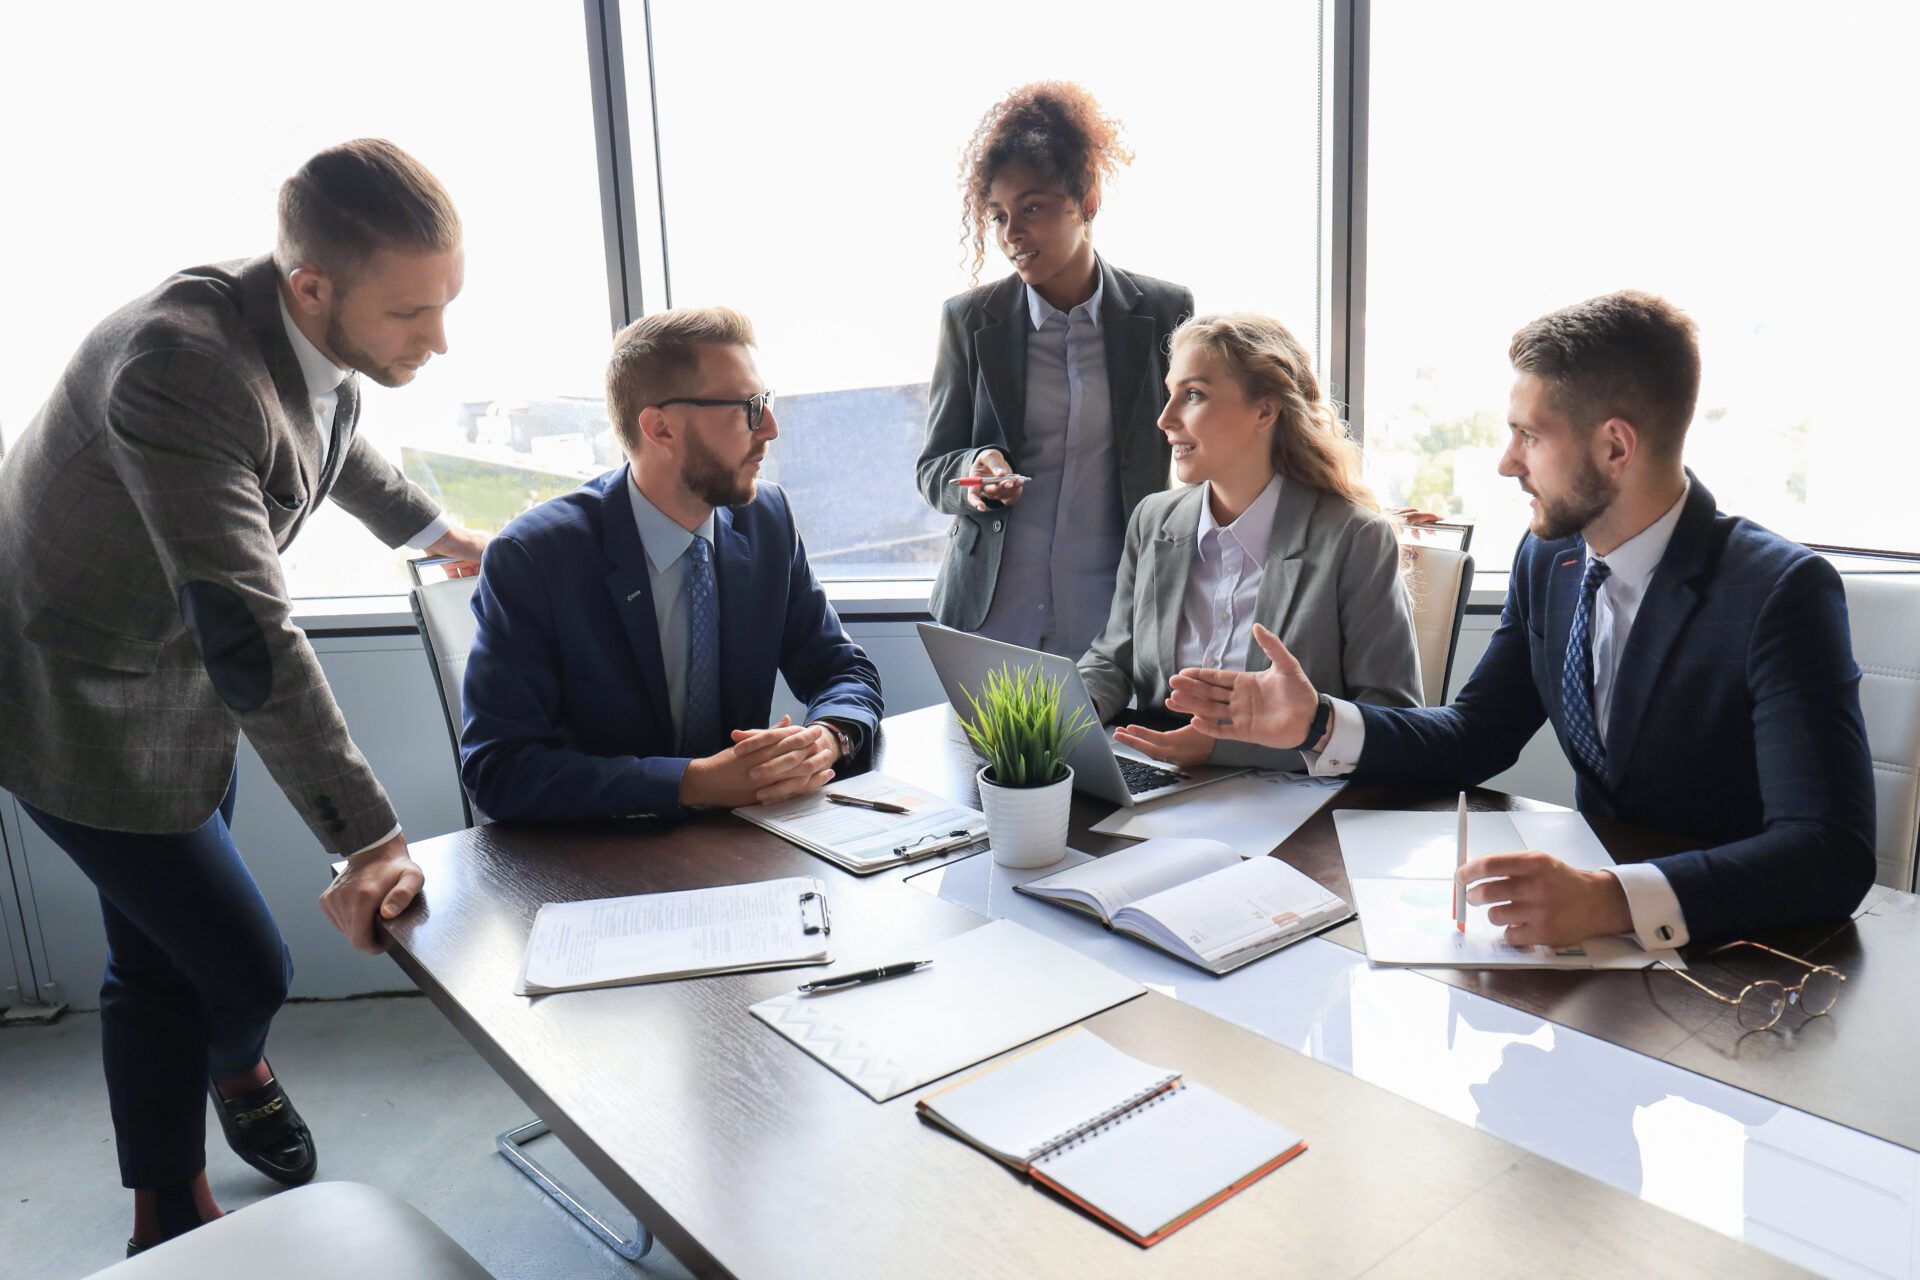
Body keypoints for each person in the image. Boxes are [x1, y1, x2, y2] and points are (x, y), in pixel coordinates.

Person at [0, 139, 488, 1253]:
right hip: (72, 683)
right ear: (314, 284)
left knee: (152, 952)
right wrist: (369, 837)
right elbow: (247, 626)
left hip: (178, 668)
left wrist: (432, 531)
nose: (439, 338)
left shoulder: (298, 317)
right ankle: (235, 1067)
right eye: (413, 314)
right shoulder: (179, 369)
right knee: (242, 959)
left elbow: (325, 433)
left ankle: (163, 1192)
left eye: (446, 302)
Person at [1167, 290, 1876, 948]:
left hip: (1746, 956)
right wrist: (1319, 721)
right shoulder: (1554, 560)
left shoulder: (1779, 592)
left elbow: (1828, 852)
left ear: (1615, 447)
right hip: (1590, 954)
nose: (1507, 464)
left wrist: (1611, 901)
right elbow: (1476, 734)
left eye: (1528, 436)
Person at [460, 307, 883, 821]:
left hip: (743, 850)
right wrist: (694, 783)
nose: (770, 427)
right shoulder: (535, 558)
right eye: (747, 407)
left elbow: (842, 669)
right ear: (660, 428)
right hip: (599, 863)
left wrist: (828, 737)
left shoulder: (766, 520)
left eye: (765, 402)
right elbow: (498, 769)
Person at [916, 81, 1193, 658]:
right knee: (986, 752)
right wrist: (975, 470)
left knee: (1107, 752)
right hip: (992, 609)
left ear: (1087, 199)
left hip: (1113, 614)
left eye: (1032, 207)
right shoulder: (969, 321)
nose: (1011, 234)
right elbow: (933, 471)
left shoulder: (1165, 312)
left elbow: (1214, 447)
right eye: (997, 216)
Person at [1078, 314, 1421, 770]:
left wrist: (1222, 748)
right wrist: (1054, 717)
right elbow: (1113, 659)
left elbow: (1392, 718)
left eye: (1194, 395)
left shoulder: (1354, 537)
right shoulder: (1153, 519)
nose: (1165, 419)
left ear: (1265, 410)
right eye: (1170, 394)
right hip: (1158, 781)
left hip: (1292, 809)